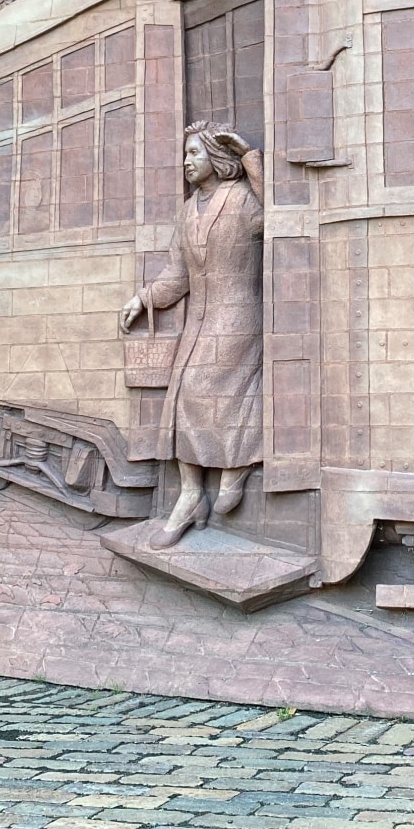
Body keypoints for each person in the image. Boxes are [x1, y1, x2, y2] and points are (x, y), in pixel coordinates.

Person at [120, 122, 264, 549]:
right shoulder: (186, 212)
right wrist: (144, 298)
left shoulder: (242, 198)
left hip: (238, 317)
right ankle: (191, 495)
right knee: (184, 394)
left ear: (217, 159)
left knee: (211, 390)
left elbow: (281, 216)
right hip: (200, 320)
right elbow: (177, 275)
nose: (186, 161)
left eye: (195, 153)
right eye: (185, 154)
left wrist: (248, 156)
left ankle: (235, 468)